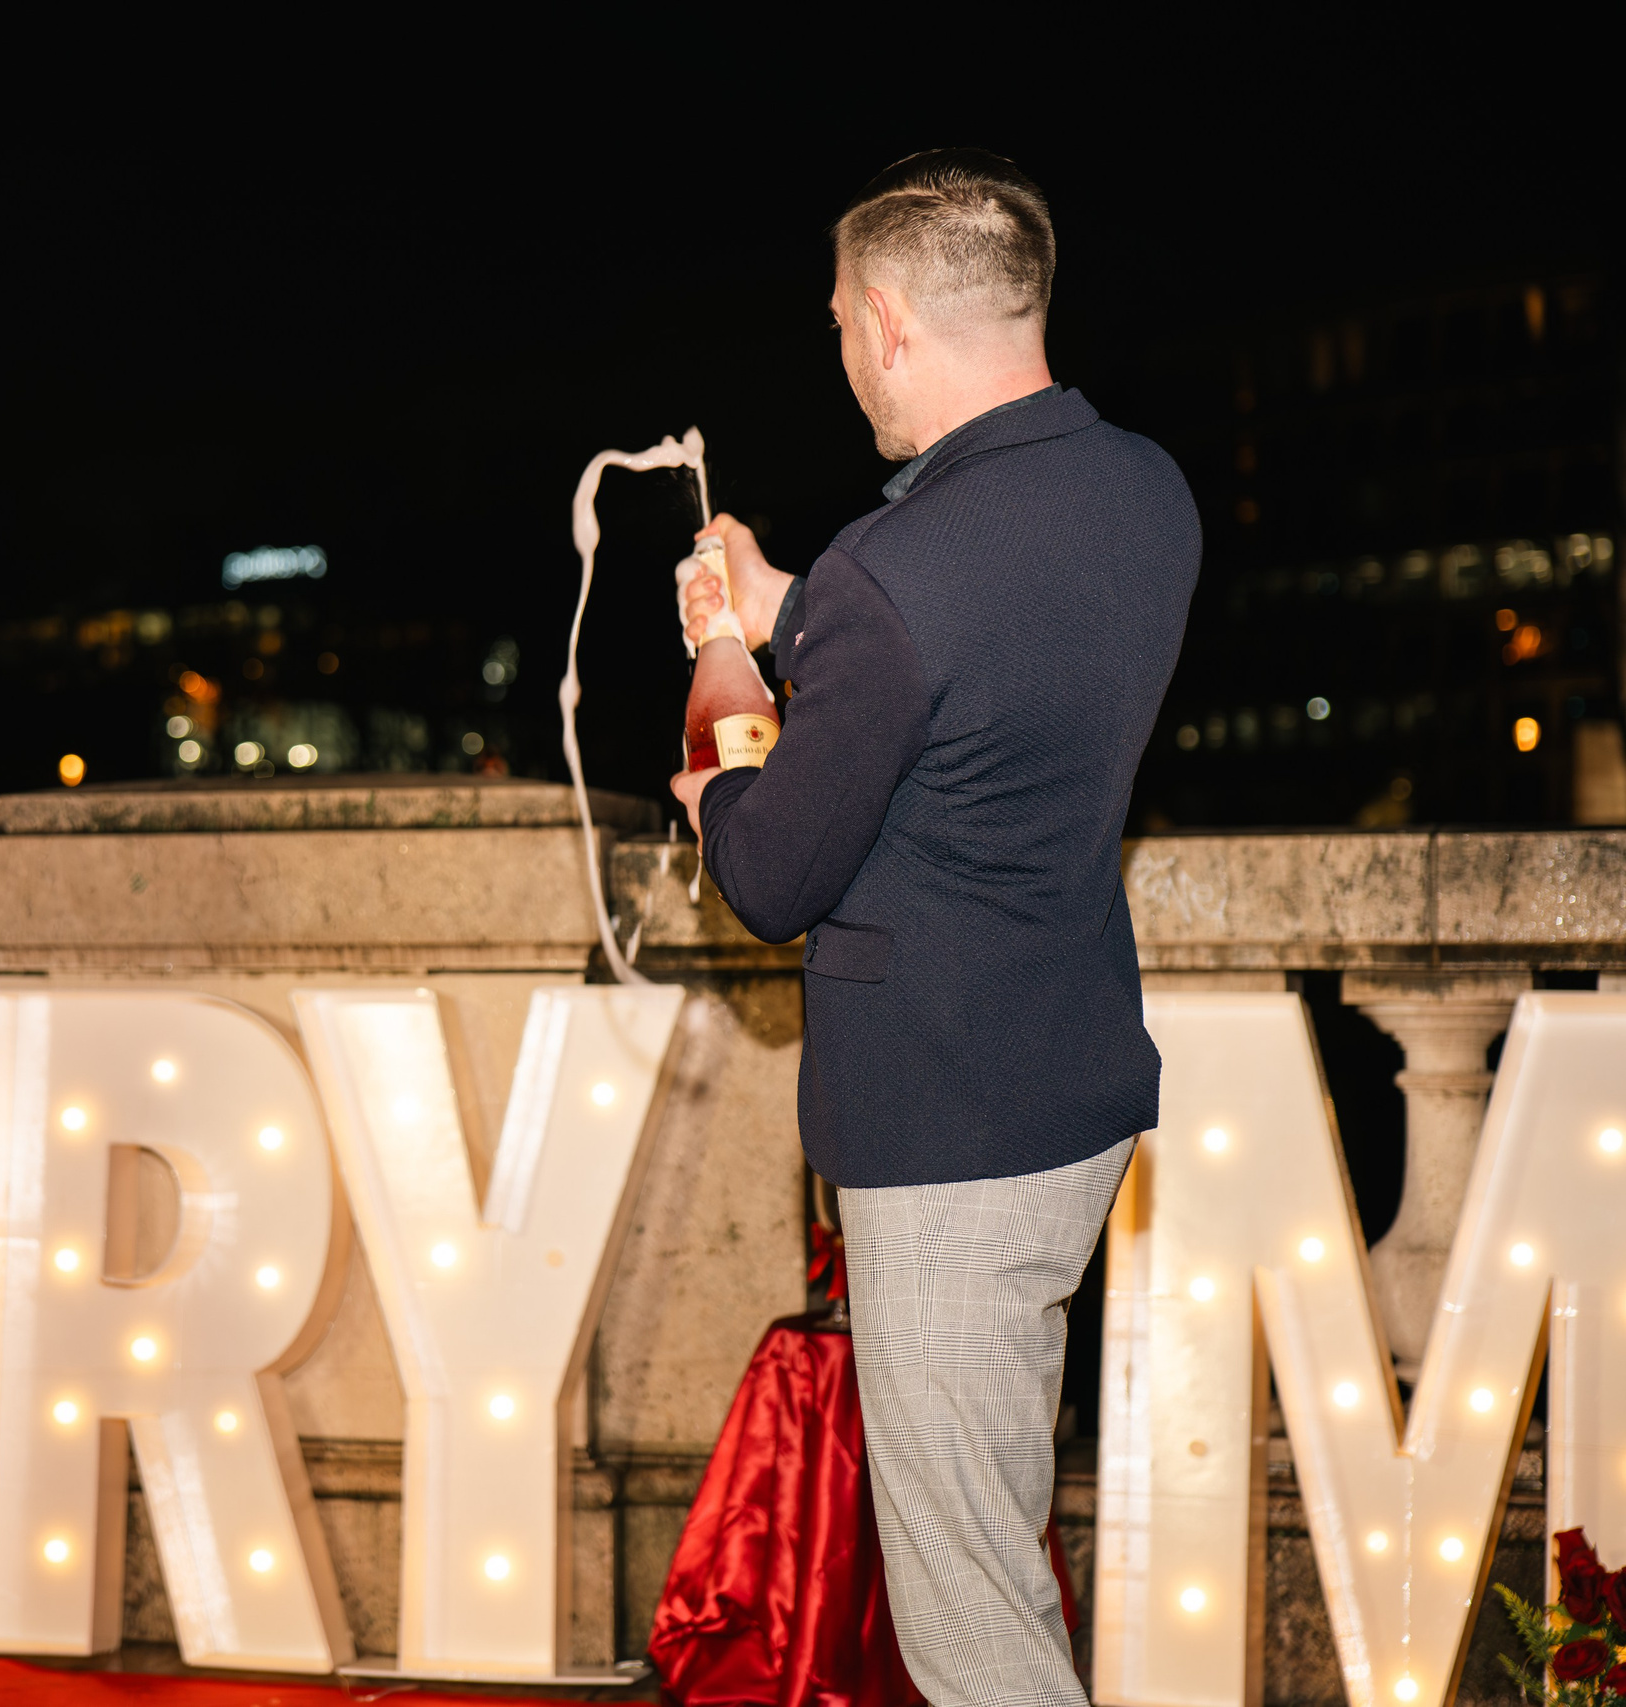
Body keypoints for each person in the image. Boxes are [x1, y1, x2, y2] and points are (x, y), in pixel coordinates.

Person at [669, 153, 1200, 1704]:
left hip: (948, 1129)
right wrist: (796, 612)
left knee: (970, 1613)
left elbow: (771, 871)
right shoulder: (1142, 491)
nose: (842, 357)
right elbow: (985, 683)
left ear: (888, 322)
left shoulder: (889, 576)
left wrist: (718, 726)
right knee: (996, 1522)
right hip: (1070, 1090)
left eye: (842, 324)